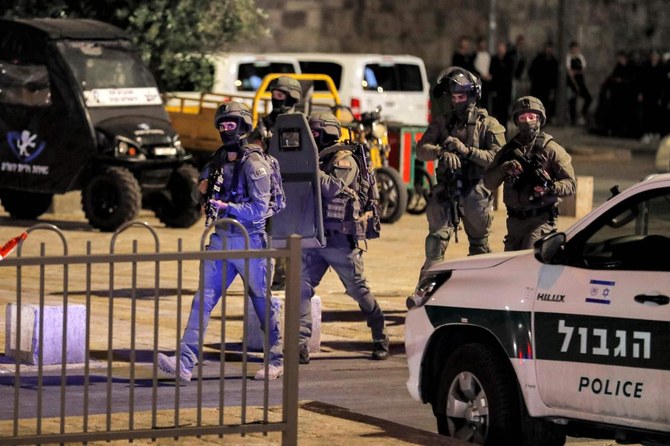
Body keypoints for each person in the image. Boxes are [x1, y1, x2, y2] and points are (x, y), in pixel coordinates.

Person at [157, 101, 284, 382]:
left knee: (262, 303)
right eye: (222, 125)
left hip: (250, 241)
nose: (226, 130)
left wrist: (227, 207)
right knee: (202, 300)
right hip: (221, 239)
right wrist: (201, 190)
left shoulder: (255, 163)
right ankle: (185, 362)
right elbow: (198, 194)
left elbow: (260, 210)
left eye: (231, 125)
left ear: (243, 127)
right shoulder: (217, 159)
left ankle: (276, 358)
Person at [300, 112, 390, 364]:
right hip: (313, 237)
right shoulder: (314, 158)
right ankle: (300, 344)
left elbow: (330, 188)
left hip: (340, 239)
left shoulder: (345, 159)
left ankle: (380, 336)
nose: (312, 137)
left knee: (358, 290)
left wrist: (308, 168)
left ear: (327, 132)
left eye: (315, 133)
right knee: (301, 288)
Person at [415, 67, 506, 273]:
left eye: (462, 96)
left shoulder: (489, 125)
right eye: (454, 97)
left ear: (473, 95)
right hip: (446, 191)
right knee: (435, 243)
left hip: (475, 192)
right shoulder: (442, 123)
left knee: (479, 248)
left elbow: (496, 159)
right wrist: (440, 152)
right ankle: (425, 290)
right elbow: (421, 150)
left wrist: (467, 151)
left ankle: (480, 294)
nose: (457, 101)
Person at [484, 96, 576, 251]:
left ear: (539, 119)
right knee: (511, 267)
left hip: (540, 220)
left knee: (528, 261)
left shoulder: (551, 149)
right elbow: (488, 182)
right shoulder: (508, 151)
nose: (527, 121)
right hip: (514, 222)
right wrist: (504, 168)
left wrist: (550, 187)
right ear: (516, 121)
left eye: (531, 117)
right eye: (522, 117)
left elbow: (571, 185)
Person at [249, 75, 303, 291]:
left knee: (292, 235)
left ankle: (285, 275)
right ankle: (268, 276)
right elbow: (251, 150)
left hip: (294, 186)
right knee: (269, 233)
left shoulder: (300, 123)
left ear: (291, 98)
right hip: (269, 187)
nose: (275, 99)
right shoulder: (264, 124)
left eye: (280, 95)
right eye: (273, 95)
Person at [528, 42, 559, 124]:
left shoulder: (554, 61)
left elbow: (555, 76)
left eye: (550, 48)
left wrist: (553, 88)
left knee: (546, 104)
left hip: (548, 87)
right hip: (538, 86)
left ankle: (545, 120)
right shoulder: (538, 59)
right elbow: (531, 71)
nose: (549, 50)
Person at [488, 40, 515, 130]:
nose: (500, 49)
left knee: (504, 113)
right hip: (496, 90)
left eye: (502, 48)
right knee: (496, 112)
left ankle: (504, 130)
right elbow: (492, 74)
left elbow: (509, 75)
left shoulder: (509, 60)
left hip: (506, 89)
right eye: (499, 48)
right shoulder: (494, 59)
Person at [566, 41, 592, 125]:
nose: (575, 50)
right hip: (572, 83)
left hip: (581, 82)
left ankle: (583, 113)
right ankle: (573, 120)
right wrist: (575, 83)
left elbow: (583, 70)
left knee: (588, 98)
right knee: (572, 101)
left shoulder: (580, 57)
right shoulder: (568, 57)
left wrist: (575, 72)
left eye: (576, 49)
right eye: (573, 49)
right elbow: (570, 72)